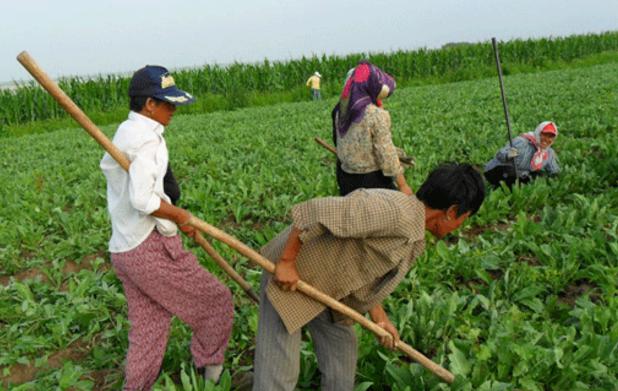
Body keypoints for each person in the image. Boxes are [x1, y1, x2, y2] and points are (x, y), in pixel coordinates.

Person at [253, 163, 485, 391]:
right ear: (452, 212)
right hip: (293, 278)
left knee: (341, 367)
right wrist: (286, 263)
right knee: (279, 376)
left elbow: (368, 272)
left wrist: (380, 318)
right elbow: (312, 212)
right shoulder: (390, 211)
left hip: (333, 291)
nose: (460, 226)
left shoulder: (415, 237)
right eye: (464, 219)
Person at [100, 65, 233, 390]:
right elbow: (144, 200)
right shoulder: (146, 140)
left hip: (124, 249)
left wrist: (174, 215)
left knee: (149, 328)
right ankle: (212, 377)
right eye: (168, 103)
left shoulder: (126, 132)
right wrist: (179, 215)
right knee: (216, 302)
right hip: (149, 247)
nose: (173, 110)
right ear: (149, 105)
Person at [332, 61, 413, 196]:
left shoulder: (341, 111)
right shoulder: (375, 115)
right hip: (371, 181)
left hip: (345, 178)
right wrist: (403, 185)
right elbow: (386, 155)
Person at [484, 121, 561, 188]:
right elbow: (500, 155)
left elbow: (554, 171)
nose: (547, 139)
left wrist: (557, 180)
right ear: (538, 133)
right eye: (544, 134)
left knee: (539, 176)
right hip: (499, 170)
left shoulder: (548, 153)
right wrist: (508, 154)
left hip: (521, 174)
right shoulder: (521, 142)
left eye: (550, 137)